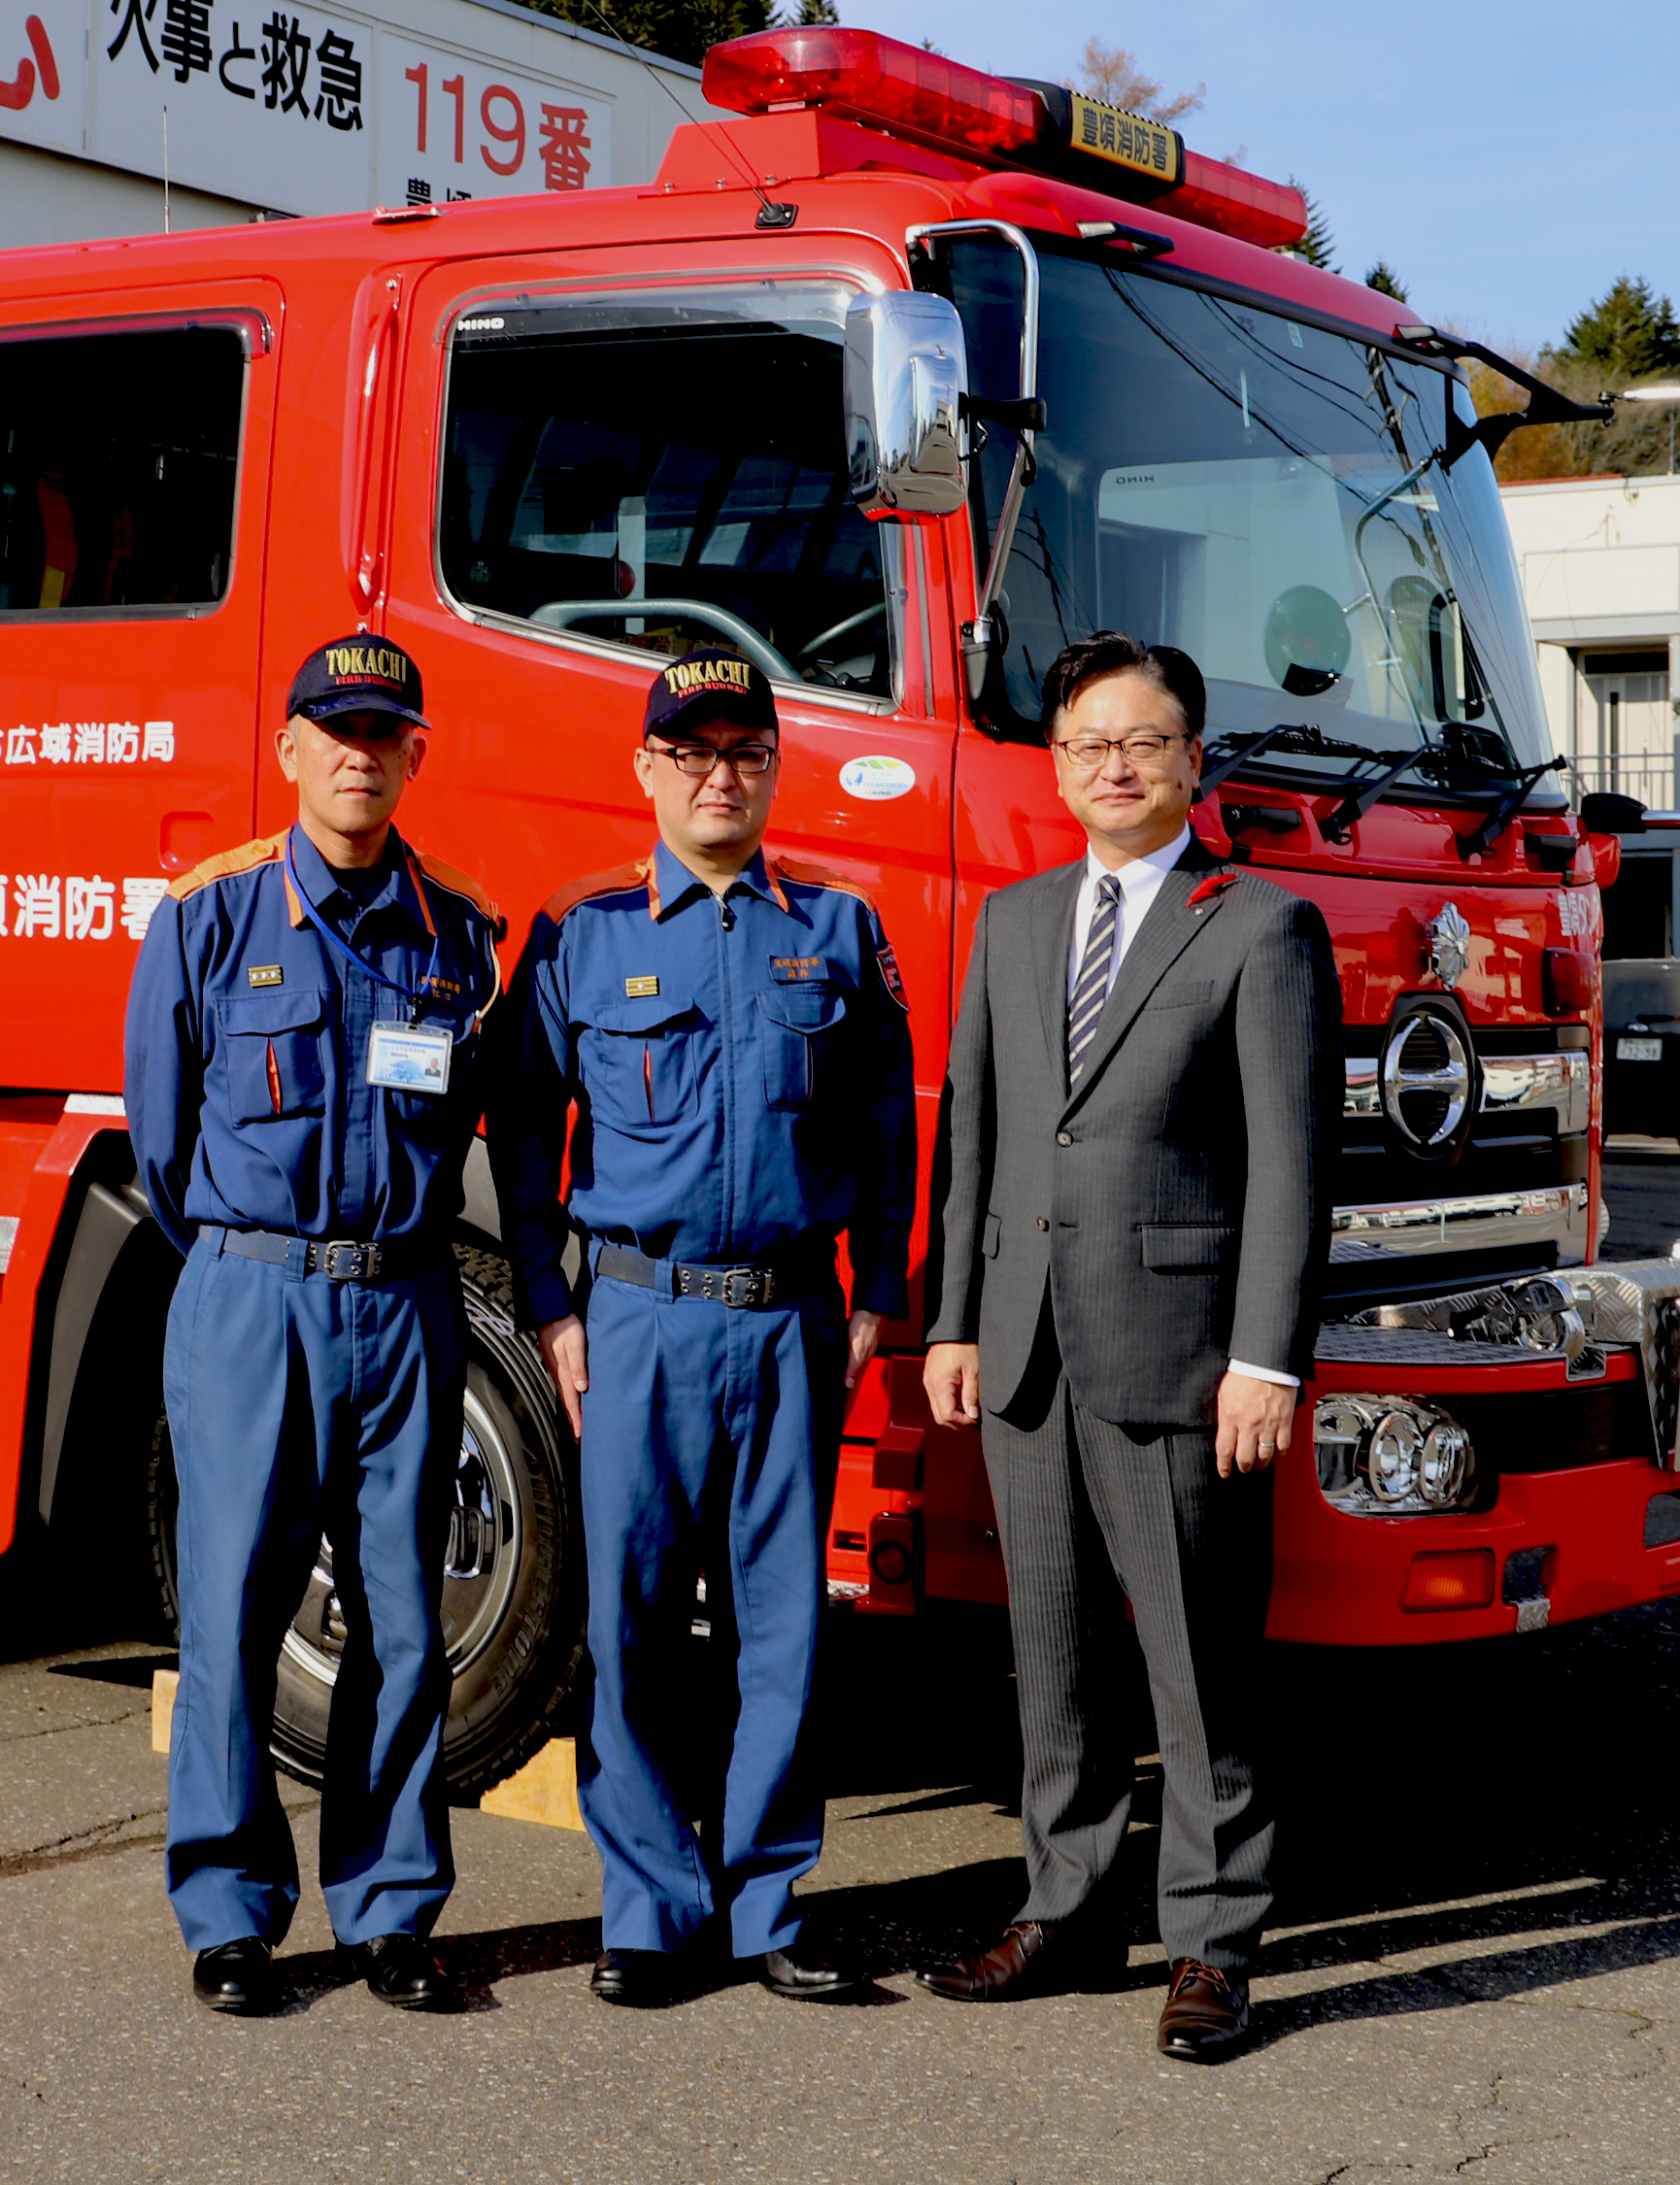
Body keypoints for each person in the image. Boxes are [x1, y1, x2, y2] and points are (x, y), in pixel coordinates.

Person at [914, 632, 1334, 2065]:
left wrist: (1266, 1359)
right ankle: (1070, 1905)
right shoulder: (1016, 920)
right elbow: (976, 1132)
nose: (1117, 765)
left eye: (1145, 742)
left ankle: (1215, 1939)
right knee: (1055, 1658)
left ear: (1191, 761)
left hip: (1181, 1355)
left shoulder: (1259, 925)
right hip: (1026, 1348)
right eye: (1091, 743)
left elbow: (1291, 1165)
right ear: (1058, 764)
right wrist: (953, 1317)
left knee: (1204, 1669)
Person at [493, 652, 915, 2007]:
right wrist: (549, 1305)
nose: (716, 774)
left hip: (791, 1321)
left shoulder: (840, 930)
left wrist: (880, 1296)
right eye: (689, 752)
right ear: (645, 770)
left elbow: (888, 1134)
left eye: (742, 752)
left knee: (782, 1628)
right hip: (636, 1324)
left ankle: (767, 1907)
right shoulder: (582, 931)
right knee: (626, 1626)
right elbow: (519, 1140)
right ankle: (648, 1910)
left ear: (776, 768)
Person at [120, 629, 506, 2019]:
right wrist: (251, 1268)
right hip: (249, 1300)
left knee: (404, 1621)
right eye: (331, 729)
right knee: (229, 1613)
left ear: (416, 755)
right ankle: (230, 1918)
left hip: (403, 1300)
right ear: (287, 750)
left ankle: (391, 1909)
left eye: (383, 732)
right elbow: (160, 1151)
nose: (358, 752)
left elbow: (467, 1116)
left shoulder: (461, 932)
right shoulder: (209, 917)